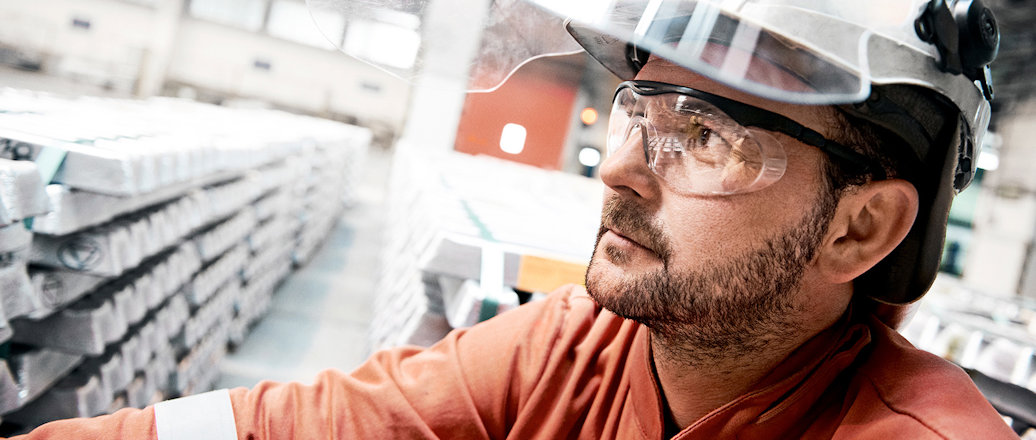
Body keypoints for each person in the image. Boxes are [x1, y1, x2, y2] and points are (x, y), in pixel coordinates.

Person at [6, 0, 1020, 438]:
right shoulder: (575, 346)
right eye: (639, 109)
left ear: (860, 226)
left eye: (706, 136)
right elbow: (278, 423)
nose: (621, 167)